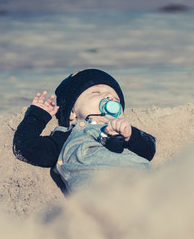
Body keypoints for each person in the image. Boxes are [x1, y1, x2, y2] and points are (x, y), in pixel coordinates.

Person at [13, 69, 156, 194]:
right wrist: (37, 116)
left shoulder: (124, 133)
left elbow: (148, 151)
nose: (110, 97)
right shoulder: (65, 138)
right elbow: (27, 147)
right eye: (96, 92)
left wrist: (131, 135)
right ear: (72, 114)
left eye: (116, 98)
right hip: (104, 192)